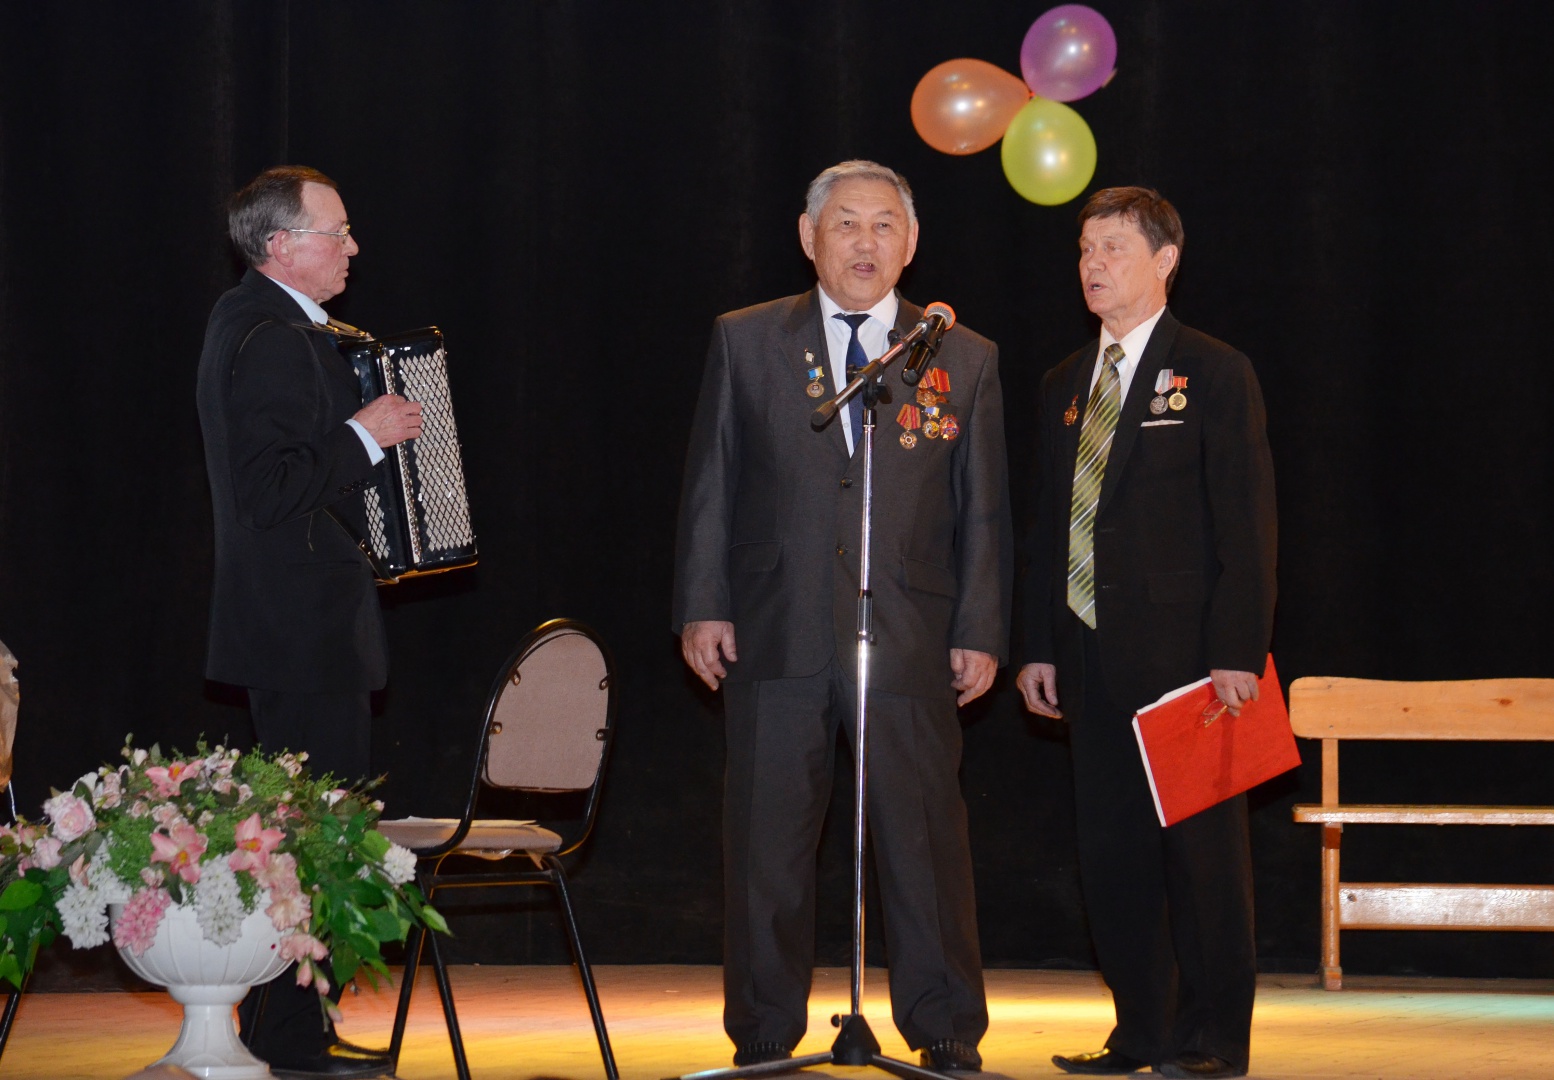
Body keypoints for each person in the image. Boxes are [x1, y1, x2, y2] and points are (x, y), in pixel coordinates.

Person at [672, 160, 1012, 1073]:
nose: (866, 242)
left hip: (910, 631)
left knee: (923, 836)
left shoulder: (960, 353)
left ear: (912, 241)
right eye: (847, 223)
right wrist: (702, 604)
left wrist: (980, 626)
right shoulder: (747, 339)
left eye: (885, 225)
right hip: (776, 621)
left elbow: (984, 509)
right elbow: (712, 480)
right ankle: (764, 1028)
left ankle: (944, 1025)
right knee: (768, 838)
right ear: (808, 235)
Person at [1016, 187, 1276, 1080]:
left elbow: (1247, 525)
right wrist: (1038, 643)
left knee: (1203, 861)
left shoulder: (1214, 370)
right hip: (1088, 657)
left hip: (1188, 666)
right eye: (1085, 249)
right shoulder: (1063, 384)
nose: (1093, 265)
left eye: (1114, 248)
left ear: (1165, 260)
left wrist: (1237, 651)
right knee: (1113, 858)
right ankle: (1141, 1035)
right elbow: (1049, 527)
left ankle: (1212, 1040)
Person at [196, 165, 421, 1079]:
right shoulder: (271, 337)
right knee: (310, 841)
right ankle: (289, 1039)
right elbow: (269, 489)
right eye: (338, 232)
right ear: (282, 245)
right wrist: (366, 434)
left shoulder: (259, 323)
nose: (353, 248)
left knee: (303, 838)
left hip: (294, 628)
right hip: (302, 632)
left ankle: (290, 1028)